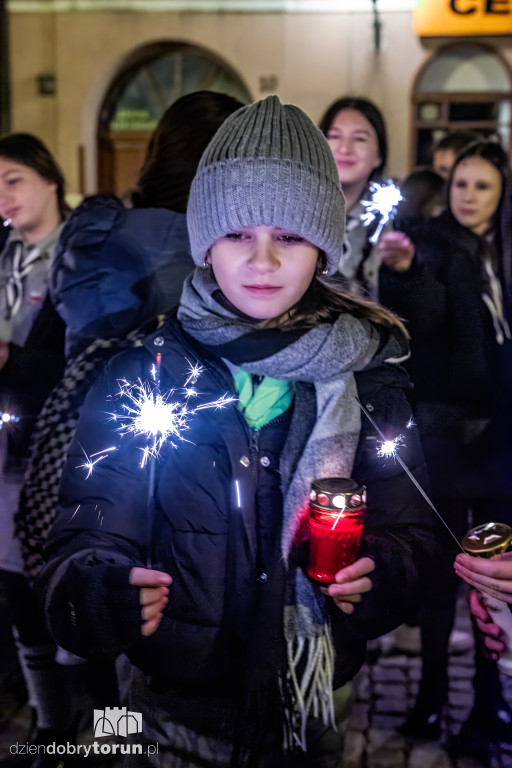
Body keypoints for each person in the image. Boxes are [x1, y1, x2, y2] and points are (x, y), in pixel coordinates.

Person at [39, 95, 440, 768]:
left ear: (324, 246)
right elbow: (85, 535)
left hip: (313, 703)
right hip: (169, 708)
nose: (263, 260)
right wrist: (99, 592)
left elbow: (414, 533)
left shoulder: (369, 379)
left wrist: (384, 572)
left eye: (290, 236)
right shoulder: (146, 373)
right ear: (204, 242)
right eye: (236, 235)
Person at [379, 139, 512, 747]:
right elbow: (422, 312)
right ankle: (431, 700)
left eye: (482, 186)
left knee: (495, 574)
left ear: (501, 193)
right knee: (443, 574)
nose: (469, 196)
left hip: (501, 441)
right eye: (461, 183)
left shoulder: (502, 248)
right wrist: (402, 270)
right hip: (449, 437)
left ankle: (489, 702)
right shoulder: (430, 242)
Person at [0, 134, 71, 766]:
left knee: (71, 597)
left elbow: (83, 356)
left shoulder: (79, 256)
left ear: (51, 178)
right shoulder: (6, 254)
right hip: (6, 452)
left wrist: (13, 358)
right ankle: (51, 726)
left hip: (61, 453)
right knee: (17, 593)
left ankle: (104, 733)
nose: (3, 195)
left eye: (13, 178)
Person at [319, 96, 397, 297]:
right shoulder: (293, 215)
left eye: (360, 138)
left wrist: (406, 270)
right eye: (334, 136)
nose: (345, 149)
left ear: (379, 155)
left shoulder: (393, 224)